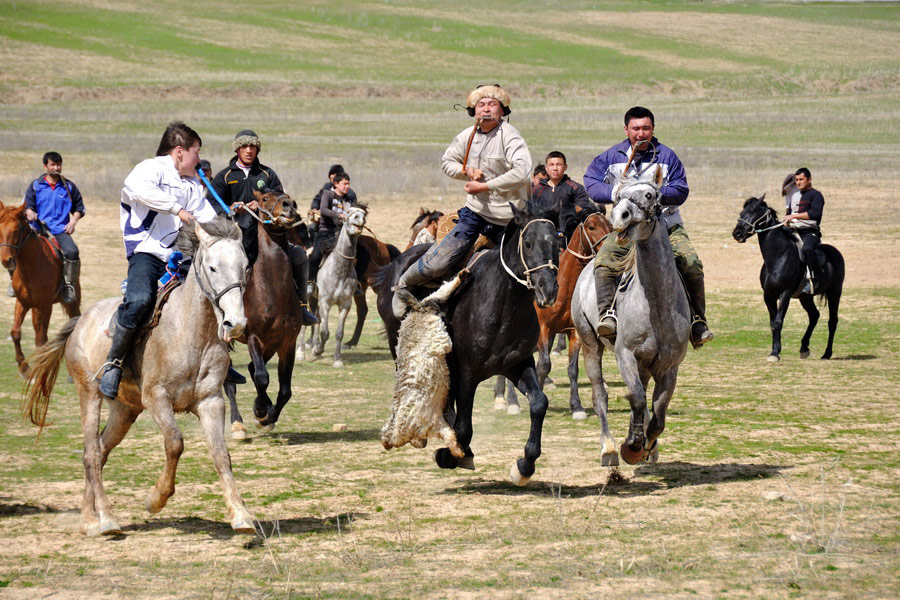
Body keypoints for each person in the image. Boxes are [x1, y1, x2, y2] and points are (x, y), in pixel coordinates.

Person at [98, 122, 219, 398]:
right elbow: (138, 190)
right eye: (196, 152)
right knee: (140, 300)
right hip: (146, 253)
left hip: (181, 255)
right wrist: (177, 209)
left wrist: (227, 230)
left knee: (211, 294)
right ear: (179, 152)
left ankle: (220, 357)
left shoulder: (192, 185)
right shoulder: (149, 169)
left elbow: (208, 217)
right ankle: (114, 364)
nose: (198, 159)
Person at [391, 84, 532, 319]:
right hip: (476, 212)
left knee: (531, 267)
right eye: (481, 105)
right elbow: (447, 162)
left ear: (502, 111)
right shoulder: (467, 136)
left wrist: (485, 185)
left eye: (492, 104)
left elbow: (523, 172)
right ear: (474, 111)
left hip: (511, 217)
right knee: (440, 262)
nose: (486, 109)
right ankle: (403, 286)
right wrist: (465, 170)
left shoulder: (510, 136)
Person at [584, 106, 713, 348]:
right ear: (626, 129)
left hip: (666, 227)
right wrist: (614, 192)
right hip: (625, 230)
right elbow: (590, 182)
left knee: (691, 262)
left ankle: (697, 321)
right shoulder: (612, 157)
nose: (641, 134)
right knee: (603, 262)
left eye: (646, 128)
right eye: (636, 129)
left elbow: (681, 190)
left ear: (653, 129)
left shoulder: (667, 157)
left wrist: (654, 195)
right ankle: (607, 316)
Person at [210, 130, 316, 325]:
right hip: (237, 237)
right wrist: (230, 208)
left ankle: (302, 306)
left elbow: (281, 201)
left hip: (269, 237)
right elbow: (211, 204)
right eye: (244, 146)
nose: (249, 150)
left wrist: (259, 205)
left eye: (252, 146)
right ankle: (220, 315)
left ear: (257, 149)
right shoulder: (224, 176)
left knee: (300, 257)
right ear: (237, 149)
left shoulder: (267, 174)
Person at [20, 151, 85, 304]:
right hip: (37, 229)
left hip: (59, 230)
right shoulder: (36, 185)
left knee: (72, 251)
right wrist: (30, 212)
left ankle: (69, 286)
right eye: (52, 165)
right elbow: (27, 206)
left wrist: (73, 222)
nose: (56, 167)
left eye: (58, 164)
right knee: (15, 247)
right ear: (45, 166)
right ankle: (14, 281)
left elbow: (79, 208)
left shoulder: (69, 186)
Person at [532, 150, 600, 241]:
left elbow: (584, 214)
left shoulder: (575, 188)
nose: (555, 168)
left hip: (570, 238)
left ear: (565, 167)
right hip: (543, 239)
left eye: (559, 164)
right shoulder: (537, 190)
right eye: (551, 165)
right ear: (546, 168)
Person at [307, 172, 357, 288]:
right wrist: (339, 215)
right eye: (344, 184)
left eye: (348, 184)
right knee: (315, 256)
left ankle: (356, 283)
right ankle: (310, 281)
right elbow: (323, 210)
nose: (347, 186)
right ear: (336, 184)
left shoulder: (348, 199)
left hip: (342, 234)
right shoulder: (328, 195)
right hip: (326, 232)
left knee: (354, 255)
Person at [783, 167, 825, 294]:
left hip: (809, 232)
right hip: (793, 231)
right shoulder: (794, 196)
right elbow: (788, 213)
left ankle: (815, 279)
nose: (798, 182)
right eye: (796, 180)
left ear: (809, 180)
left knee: (807, 249)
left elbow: (815, 214)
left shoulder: (816, 195)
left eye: (801, 179)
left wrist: (795, 216)